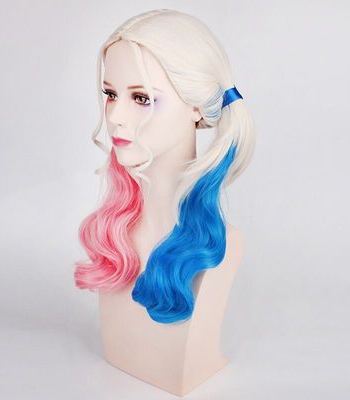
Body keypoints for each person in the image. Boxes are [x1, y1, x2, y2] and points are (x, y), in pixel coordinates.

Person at [74, 9, 256, 395]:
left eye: (141, 98)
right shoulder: (112, 235)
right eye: (110, 94)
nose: (115, 116)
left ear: (196, 107)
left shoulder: (224, 246)